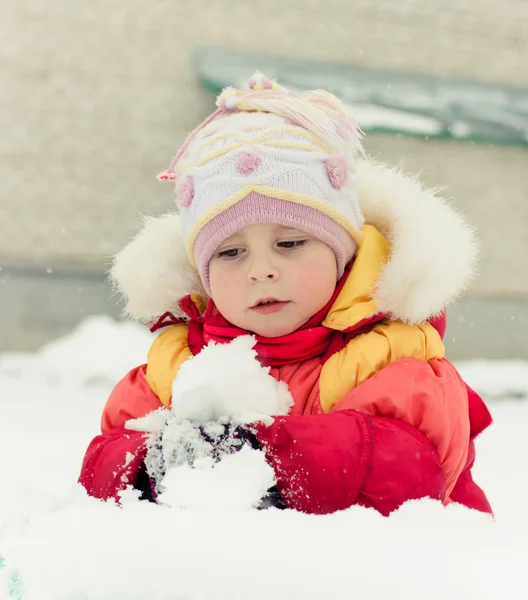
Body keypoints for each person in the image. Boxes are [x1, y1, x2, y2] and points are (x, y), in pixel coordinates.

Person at [79, 73, 492, 516]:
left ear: (343, 255)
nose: (261, 271)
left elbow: (407, 475)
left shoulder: (396, 356)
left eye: (290, 244)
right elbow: (103, 464)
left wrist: (267, 452)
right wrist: (152, 462)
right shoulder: (176, 365)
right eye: (231, 252)